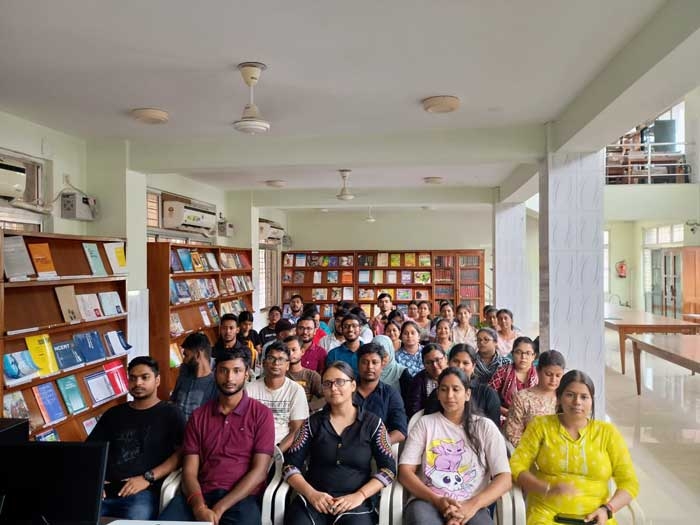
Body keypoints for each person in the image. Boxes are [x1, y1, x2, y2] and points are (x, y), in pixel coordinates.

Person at [159, 347, 275, 524]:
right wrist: (199, 508)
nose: (229, 378)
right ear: (215, 373)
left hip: (241, 498)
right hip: (200, 494)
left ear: (246, 375)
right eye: (223, 371)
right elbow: (189, 471)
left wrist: (220, 508)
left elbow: (259, 472)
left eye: (237, 371)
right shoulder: (199, 416)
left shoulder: (261, 414)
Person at [510, 370, 639, 525]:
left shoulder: (607, 433)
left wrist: (607, 509)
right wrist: (546, 488)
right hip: (547, 515)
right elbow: (516, 466)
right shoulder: (540, 426)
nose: (577, 402)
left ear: (592, 401)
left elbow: (629, 482)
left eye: (584, 397)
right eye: (570, 395)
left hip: (597, 518)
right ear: (558, 398)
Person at [282, 361, 396, 525]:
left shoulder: (373, 424)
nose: (333, 388)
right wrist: (312, 494)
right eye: (327, 384)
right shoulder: (311, 423)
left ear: (353, 385)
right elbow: (289, 467)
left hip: (355, 503)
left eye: (340, 382)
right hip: (314, 500)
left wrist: (360, 495)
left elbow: (388, 470)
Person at [398, 367, 512, 525]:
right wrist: (437, 500)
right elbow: (405, 472)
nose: (449, 395)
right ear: (438, 394)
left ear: (467, 394)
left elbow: (504, 478)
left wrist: (470, 506)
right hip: (427, 501)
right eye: (443, 389)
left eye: (456, 389)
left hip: (471, 504)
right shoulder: (426, 424)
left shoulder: (485, 427)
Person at [89, 356, 185, 520]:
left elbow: (182, 453)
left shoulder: (170, 413)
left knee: (136, 518)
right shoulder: (114, 414)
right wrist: (94, 481)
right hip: (105, 490)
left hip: (143, 492)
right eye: (133, 378)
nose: (138, 383)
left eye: (144, 377)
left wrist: (147, 477)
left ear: (157, 380)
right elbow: (91, 451)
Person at [246, 341, 309, 452]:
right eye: (271, 358)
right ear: (264, 363)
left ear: (288, 365)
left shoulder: (296, 391)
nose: (276, 363)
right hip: (251, 447)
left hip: (283, 449)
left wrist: (276, 454)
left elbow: (296, 430)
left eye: (281, 359)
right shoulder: (249, 389)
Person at [424, 344, 501, 428]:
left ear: (473, 366)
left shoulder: (488, 394)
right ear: (448, 363)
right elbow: (428, 425)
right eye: (456, 361)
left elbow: (493, 429)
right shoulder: (438, 393)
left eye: (465, 363)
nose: (460, 366)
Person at [504, 350, 565, 447]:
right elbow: (513, 434)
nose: (554, 380)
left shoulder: (564, 398)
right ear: (538, 371)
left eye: (558, 375)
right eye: (548, 374)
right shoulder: (522, 398)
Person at [354, 342, 408, 444]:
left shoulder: (391, 394)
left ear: (382, 365)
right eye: (365, 362)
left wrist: (380, 445)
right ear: (358, 364)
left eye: (374, 362)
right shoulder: (346, 390)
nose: (370, 367)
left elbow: (400, 431)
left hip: (377, 451)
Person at [170, 332, 218, 421]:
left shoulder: (215, 385)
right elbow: (173, 402)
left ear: (198, 355)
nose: (184, 360)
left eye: (186, 355)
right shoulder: (183, 376)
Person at [488, 336, 538, 419]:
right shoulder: (503, 371)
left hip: (533, 419)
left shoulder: (539, 375)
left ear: (534, 356)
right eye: (519, 352)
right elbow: (489, 397)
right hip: (505, 416)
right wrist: (507, 413)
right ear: (512, 354)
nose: (523, 357)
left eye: (528, 353)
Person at [406, 343, 447, 418]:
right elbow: (414, 408)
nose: (434, 365)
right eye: (429, 362)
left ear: (445, 358)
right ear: (424, 364)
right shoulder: (418, 380)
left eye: (438, 360)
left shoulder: (455, 377)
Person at [285, 335, 325, 412]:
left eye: (294, 350)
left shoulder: (311, 375)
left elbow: (326, 397)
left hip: (305, 417)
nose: (290, 353)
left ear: (302, 351)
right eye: (287, 351)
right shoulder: (280, 374)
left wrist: (308, 407)